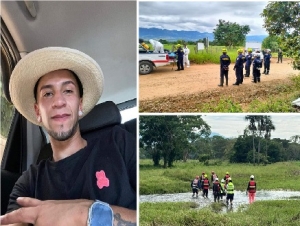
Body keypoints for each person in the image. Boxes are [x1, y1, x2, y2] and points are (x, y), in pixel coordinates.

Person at [0, 47, 136, 226]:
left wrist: (83, 213)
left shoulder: (119, 143)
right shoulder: (29, 182)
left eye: (68, 91)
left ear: (80, 105)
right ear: (37, 111)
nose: (58, 102)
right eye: (48, 94)